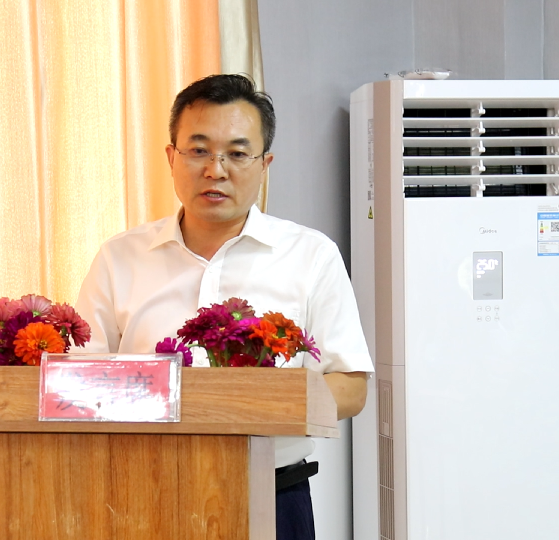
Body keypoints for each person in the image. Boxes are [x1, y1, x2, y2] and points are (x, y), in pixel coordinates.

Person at [75, 73, 373, 540]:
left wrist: (247, 401)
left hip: (272, 497)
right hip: (141, 494)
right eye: (198, 150)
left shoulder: (311, 255)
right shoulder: (120, 257)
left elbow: (351, 388)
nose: (216, 170)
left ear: (264, 164)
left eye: (237, 154)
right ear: (171, 157)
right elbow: (78, 380)